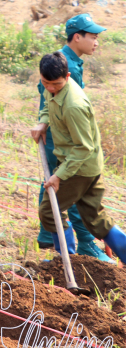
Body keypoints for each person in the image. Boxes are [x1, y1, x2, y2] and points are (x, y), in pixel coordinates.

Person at [31, 52, 126, 264]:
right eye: (46, 83)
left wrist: (58, 176)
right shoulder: (52, 86)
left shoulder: (74, 105)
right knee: (95, 218)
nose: (50, 88)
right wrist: (43, 121)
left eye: (56, 84)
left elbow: (83, 148)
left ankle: (67, 260)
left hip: (80, 167)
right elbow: (48, 104)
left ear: (67, 76)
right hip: (86, 164)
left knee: (49, 210)